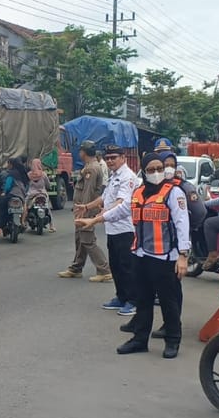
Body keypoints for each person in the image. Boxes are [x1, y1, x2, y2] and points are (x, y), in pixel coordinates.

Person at [78, 153, 190, 357]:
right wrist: (95, 220)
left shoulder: (174, 193)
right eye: (151, 170)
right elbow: (121, 210)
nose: (156, 173)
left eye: (159, 169)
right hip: (141, 255)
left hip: (165, 258)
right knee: (143, 300)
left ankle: (172, 340)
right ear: (144, 172)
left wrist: (183, 256)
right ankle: (140, 340)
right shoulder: (138, 192)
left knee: (168, 301)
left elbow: (182, 224)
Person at [74, 144, 138, 316]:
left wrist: (96, 219)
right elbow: (106, 197)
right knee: (116, 266)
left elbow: (121, 202)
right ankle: (121, 297)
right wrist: (87, 206)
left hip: (125, 228)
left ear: (123, 158)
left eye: (114, 157)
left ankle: (133, 301)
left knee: (127, 267)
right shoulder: (114, 175)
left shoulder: (128, 177)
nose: (110, 161)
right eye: (108, 158)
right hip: (112, 228)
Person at [151, 152, 204, 339]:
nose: (168, 168)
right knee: (160, 289)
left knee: (173, 288)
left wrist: (188, 228)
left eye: (172, 165)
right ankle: (167, 323)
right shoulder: (153, 187)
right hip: (156, 247)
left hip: (175, 246)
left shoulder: (182, 187)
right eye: (164, 164)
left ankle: (173, 326)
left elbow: (199, 211)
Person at [58, 141, 112, 281]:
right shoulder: (90, 166)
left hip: (85, 209)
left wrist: (85, 210)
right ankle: (76, 267)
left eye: (81, 150)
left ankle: (104, 269)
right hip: (83, 208)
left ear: (84, 152)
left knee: (87, 240)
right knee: (80, 239)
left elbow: (88, 192)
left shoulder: (91, 169)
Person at [0, 157, 29, 236]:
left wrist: (4, 193)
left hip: (12, 194)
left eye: (8, 163)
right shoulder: (23, 173)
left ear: (11, 164)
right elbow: (27, 185)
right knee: (24, 205)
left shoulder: (11, 174)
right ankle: (22, 222)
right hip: (22, 195)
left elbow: (8, 186)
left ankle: (0, 223)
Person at [25, 158, 54, 232]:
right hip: (42, 193)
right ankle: (51, 226)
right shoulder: (43, 174)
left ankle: (24, 222)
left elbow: (26, 184)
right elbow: (48, 185)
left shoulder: (29, 175)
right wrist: (49, 187)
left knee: (25, 206)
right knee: (47, 207)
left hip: (31, 194)